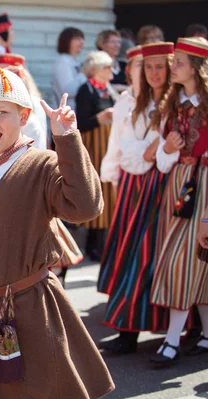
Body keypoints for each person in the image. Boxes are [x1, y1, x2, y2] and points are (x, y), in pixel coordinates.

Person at [0, 66, 114, 399]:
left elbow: (85, 207)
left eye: (2, 112)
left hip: (27, 312)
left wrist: (67, 139)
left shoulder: (41, 163)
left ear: (24, 115)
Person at [98, 42, 174, 355]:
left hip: (162, 183)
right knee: (132, 253)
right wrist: (115, 173)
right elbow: (123, 143)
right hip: (134, 181)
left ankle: (174, 329)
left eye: (160, 67)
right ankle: (128, 328)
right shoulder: (134, 101)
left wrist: (155, 150)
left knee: (152, 256)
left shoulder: (176, 103)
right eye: (147, 67)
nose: (153, 73)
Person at [150, 37, 208, 366]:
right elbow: (161, 161)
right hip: (177, 185)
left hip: (203, 187)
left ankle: (172, 340)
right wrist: (169, 150)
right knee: (196, 261)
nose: (174, 67)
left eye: (180, 62)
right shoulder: (173, 105)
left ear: (197, 68)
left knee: (183, 262)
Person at [76, 50, 117, 262]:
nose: (111, 70)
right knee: (96, 188)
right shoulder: (86, 89)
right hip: (93, 146)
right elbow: (81, 122)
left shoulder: (107, 89)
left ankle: (102, 243)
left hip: (107, 145)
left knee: (108, 191)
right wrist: (100, 119)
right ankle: (93, 244)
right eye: (107, 67)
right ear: (96, 70)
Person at [100, 46, 144, 186]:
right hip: (125, 174)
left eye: (147, 65)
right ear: (129, 70)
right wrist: (112, 174)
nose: (144, 70)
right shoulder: (124, 100)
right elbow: (116, 139)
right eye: (139, 65)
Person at [51, 27, 87, 110]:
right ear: (66, 41)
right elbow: (68, 91)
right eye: (77, 39)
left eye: (82, 39)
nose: (82, 42)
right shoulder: (63, 61)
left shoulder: (73, 61)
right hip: (66, 114)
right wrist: (83, 74)